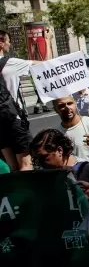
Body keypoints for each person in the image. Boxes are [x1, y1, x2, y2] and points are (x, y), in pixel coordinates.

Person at [0, 29, 35, 171]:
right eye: (8, 41)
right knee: (26, 164)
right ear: (1, 43)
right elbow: (44, 65)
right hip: (13, 118)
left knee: (11, 166)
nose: (10, 44)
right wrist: (46, 41)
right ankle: (27, 192)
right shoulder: (10, 63)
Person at [54, 95, 89, 161]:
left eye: (70, 103)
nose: (67, 108)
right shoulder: (56, 133)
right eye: (62, 106)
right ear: (55, 109)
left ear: (75, 104)